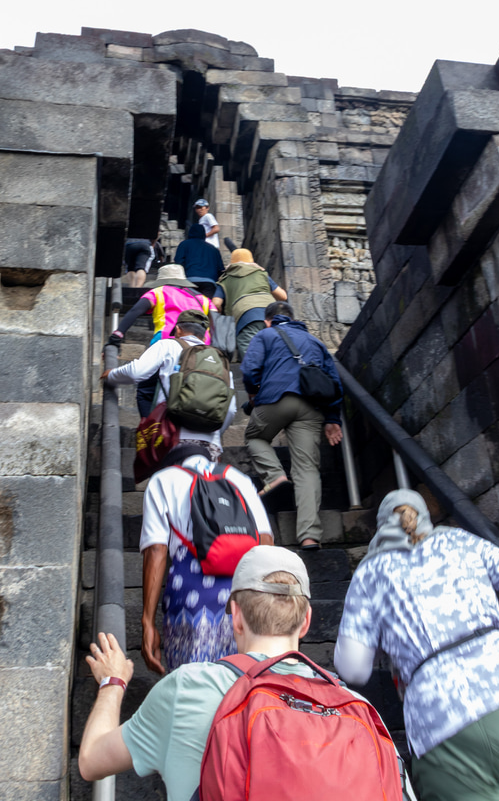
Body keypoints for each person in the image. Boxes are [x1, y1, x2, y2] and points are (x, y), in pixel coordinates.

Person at [334, 489, 499, 801]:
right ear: (425, 517)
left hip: (448, 723)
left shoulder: (369, 574)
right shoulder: (459, 540)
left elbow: (353, 669)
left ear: (380, 528)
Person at [79, 545, 317, 797]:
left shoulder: (186, 687)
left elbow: (91, 759)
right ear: (306, 622)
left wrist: (113, 682)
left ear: (236, 617)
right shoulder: (345, 701)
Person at [138, 448, 274, 674]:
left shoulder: (163, 480)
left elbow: (156, 550)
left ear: (172, 464)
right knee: (244, 679)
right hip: (244, 594)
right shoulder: (238, 477)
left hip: (191, 598)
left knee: (193, 680)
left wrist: (147, 622)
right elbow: (265, 540)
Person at [241, 301, 343, 550]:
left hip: (274, 400)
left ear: (268, 321)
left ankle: (275, 477)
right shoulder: (315, 341)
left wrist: (253, 394)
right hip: (311, 407)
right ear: (294, 318)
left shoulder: (265, 335)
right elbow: (334, 382)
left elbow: (250, 370)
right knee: (307, 469)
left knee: (255, 437)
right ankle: (309, 536)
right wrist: (332, 419)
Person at [102, 309, 236, 461]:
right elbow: (231, 410)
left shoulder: (167, 345)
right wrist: (214, 431)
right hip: (209, 443)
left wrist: (111, 375)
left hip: (171, 436)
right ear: (204, 335)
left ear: (178, 329)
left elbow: (136, 372)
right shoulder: (219, 360)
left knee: (169, 476)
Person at [107, 264, 216, 416]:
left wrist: (117, 335)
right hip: (201, 351)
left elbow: (135, 310)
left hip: (168, 344)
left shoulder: (159, 292)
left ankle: (149, 425)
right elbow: (216, 319)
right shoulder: (203, 299)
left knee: (146, 390)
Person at [212, 247, 288, 359]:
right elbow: (283, 296)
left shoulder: (225, 279)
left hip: (247, 317)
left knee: (251, 357)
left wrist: (220, 312)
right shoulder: (261, 274)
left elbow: (216, 303)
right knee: (276, 351)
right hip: (272, 314)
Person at [173, 223, 224, 297]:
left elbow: (178, 263)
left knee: (190, 303)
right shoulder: (213, 249)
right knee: (206, 303)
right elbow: (220, 269)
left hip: (189, 281)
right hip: (209, 282)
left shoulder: (184, 244)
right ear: (203, 234)